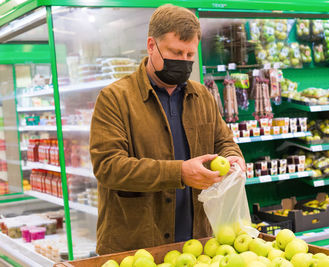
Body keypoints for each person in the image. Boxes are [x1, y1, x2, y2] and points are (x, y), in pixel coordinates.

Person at [89, 4, 245, 255]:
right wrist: (179, 173)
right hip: (137, 247)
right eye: (175, 52)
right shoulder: (115, 98)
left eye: (189, 55)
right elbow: (108, 167)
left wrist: (233, 156)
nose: (183, 62)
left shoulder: (202, 95)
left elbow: (223, 141)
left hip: (198, 244)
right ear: (152, 45)